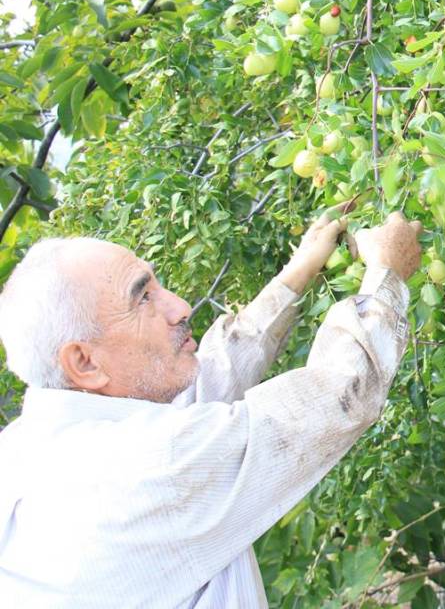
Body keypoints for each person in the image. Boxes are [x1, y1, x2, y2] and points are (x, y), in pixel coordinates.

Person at [0, 208, 423, 608]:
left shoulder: (30, 449)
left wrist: (297, 274)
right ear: (85, 362)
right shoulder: (146, 470)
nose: (180, 307)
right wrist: (387, 275)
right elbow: (334, 396)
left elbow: (201, 390)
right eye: (143, 298)